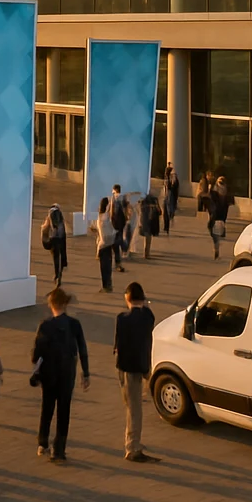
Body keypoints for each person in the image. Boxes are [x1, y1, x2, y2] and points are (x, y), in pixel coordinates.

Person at [31, 288, 89, 464]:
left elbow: (37, 353)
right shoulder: (74, 324)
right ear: (66, 304)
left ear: (51, 305)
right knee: (64, 411)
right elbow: (83, 350)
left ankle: (43, 442)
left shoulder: (45, 325)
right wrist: (85, 373)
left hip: (49, 373)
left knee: (47, 408)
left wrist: (36, 366)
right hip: (67, 373)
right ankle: (59, 449)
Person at [114, 282, 161, 463]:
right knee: (135, 410)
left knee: (132, 409)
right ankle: (132, 445)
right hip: (142, 365)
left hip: (125, 368)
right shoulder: (148, 316)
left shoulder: (122, 319)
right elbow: (146, 312)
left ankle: (132, 446)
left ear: (127, 299)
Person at [92, 197, 118, 293]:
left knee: (104, 267)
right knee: (108, 265)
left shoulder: (100, 216)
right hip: (109, 242)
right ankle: (108, 285)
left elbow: (97, 230)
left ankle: (106, 286)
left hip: (102, 244)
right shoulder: (108, 216)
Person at [42, 203, 68, 285]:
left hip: (53, 238)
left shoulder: (50, 214)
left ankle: (57, 275)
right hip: (61, 237)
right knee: (62, 257)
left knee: (56, 258)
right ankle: (59, 274)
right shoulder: (60, 215)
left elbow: (46, 229)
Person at [209, 175, 231, 259]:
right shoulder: (225, 192)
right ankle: (216, 247)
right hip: (222, 217)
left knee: (214, 232)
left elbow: (211, 197)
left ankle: (216, 248)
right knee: (217, 232)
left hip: (215, 215)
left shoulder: (215, 191)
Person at [109, 185, 129, 270]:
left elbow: (112, 211)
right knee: (119, 237)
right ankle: (124, 247)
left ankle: (124, 247)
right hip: (121, 222)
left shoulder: (114, 198)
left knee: (116, 241)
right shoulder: (123, 198)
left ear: (115, 190)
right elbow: (125, 210)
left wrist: (111, 219)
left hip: (115, 222)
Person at [139, 190, 162, 260]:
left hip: (145, 221)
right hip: (151, 221)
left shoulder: (142, 201)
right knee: (148, 238)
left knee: (147, 237)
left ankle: (146, 253)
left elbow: (140, 211)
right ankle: (146, 253)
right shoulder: (155, 200)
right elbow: (160, 212)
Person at [163, 164, 179, 235]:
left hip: (170, 196)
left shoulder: (172, 177)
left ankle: (167, 226)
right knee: (165, 212)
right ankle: (166, 226)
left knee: (168, 210)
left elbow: (172, 187)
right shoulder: (167, 177)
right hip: (167, 196)